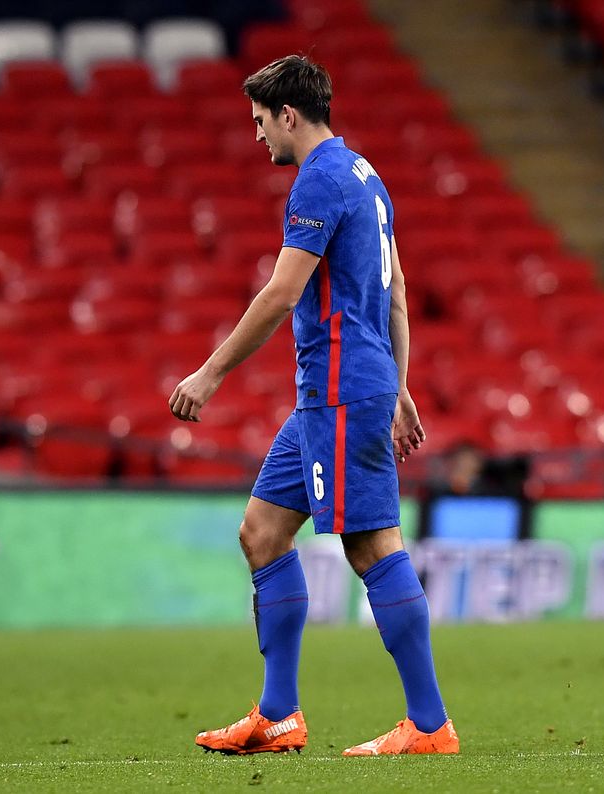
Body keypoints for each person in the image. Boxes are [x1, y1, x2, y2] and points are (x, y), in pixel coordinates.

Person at [168, 56, 458, 757]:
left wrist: (209, 374)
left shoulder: (321, 180)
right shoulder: (366, 175)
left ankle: (428, 724)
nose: (259, 136)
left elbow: (281, 292)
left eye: (262, 121)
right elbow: (394, 294)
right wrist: (400, 385)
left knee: (369, 545)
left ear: (289, 115)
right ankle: (278, 714)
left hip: (339, 391)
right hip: (335, 394)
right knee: (262, 533)